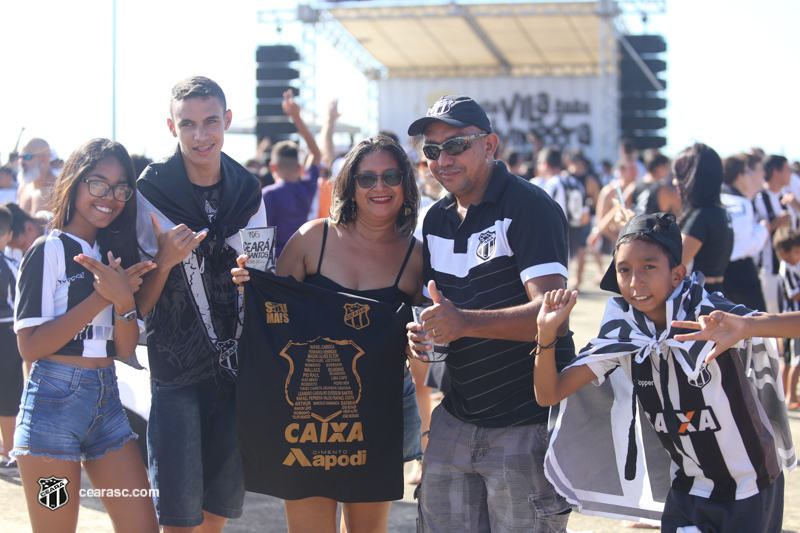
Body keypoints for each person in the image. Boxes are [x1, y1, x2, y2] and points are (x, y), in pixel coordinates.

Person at [534, 212, 789, 533]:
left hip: (750, 484)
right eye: (624, 270)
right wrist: (545, 334)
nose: (635, 281)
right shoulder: (623, 336)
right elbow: (549, 394)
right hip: (689, 489)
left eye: (649, 267)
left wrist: (749, 326)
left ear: (678, 274)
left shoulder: (710, 315)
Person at [232, 135, 423, 533]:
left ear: (406, 184)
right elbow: (273, 318)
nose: (380, 187)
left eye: (391, 176)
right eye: (367, 178)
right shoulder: (312, 237)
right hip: (302, 418)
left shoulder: (417, 257)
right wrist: (248, 286)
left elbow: (424, 346)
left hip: (377, 416)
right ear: (349, 186)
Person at [405, 94, 572, 531]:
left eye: (457, 145)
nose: (443, 159)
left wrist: (463, 322)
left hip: (526, 425)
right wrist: (425, 332)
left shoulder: (529, 206)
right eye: (432, 150)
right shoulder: (436, 219)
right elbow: (438, 308)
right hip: (455, 419)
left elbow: (553, 314)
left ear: (490, 145)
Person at [134, 76, 266, 532]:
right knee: (177, 513)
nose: (200, 135)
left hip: (235, 370)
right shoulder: (150, 189)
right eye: (187, 124)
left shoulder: (249, 188)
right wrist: (167, 261)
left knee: (217, 512)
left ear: (227, 120)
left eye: (210, 121)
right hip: (175, 369)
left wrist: (254, 277)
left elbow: (263, 273)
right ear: (172, 127)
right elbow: (139, 297)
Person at [11, 138, 158, 532]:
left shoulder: (116, 254)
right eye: (98, 183)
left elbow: (125, 349)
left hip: (107, 408)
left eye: (120, 188)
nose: (109, 196)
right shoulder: (48, 249)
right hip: (50, 416)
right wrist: (101, 296)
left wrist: (124, 299)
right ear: (75, 182)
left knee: (143, 526)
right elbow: (30, 347)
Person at [261, 90, 322, 259]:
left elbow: (262, 237)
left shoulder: (269, 194)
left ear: (273, 167)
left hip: (277, 264)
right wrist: (297, 117)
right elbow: (317, 154)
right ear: (299, 167)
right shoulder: (306, 189)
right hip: (303, 260)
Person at [673, 143, 733, 295]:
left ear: (693, 178)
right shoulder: (719, 212)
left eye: (679, 176)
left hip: (700, 299)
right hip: (715, 294)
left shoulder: (702, 216)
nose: (675, 182)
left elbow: (673, 266)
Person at [720, 153, 768, 311]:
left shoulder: (718, 199)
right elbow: (743, 246)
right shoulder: (741, 203)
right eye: (748, 173)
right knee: (758, 325)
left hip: (720, 271)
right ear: (740, 176)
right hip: (741, 273)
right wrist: (763, 231)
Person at [754, 154, 799, 314]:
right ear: (775, 172)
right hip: (769, 271)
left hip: (794, 269)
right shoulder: (758, 198)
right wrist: (774, 224)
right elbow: (752, 235)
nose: (791, 174)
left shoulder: (789, 198)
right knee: (772, 316)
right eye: (787, 169)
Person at [0, 206, 21, 475]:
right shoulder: (13, 266)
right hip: (7, 334)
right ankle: (9, 452)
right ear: (8, 235)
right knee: (9, 394)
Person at [773, 226, 800, 408]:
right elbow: (794, 294)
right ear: (784, 252)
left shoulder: (792, 267)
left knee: (790, 360)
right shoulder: (786, 269)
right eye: (797, 252)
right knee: (796, 361)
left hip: (790, 321)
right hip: (791, 320)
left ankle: (782, 395)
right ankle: (790, 396)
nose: (799, 255)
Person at [17, 137, 57, 216]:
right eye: (20, 157)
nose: (21, 161)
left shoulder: (59, 189)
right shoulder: (23, 188)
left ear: (43, 159)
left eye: (27, 156)